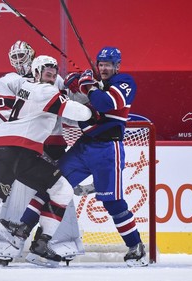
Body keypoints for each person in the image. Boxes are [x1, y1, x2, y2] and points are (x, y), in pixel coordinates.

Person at [0, 55, 93, 268]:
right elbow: (82, 113)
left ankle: (38, 244)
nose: (51, 76)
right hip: (17, 151)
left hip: (17, 151)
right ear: (36, 73)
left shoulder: (26, 86)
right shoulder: (45, 91)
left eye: (53, 73)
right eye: (47, 72)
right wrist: (91, 93)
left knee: (60, 190)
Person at [0, 40, 85, 267]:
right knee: (17, 191)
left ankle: (61, 241)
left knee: (57, 189)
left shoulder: (54, 77)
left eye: (24, 56)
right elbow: (1, 115)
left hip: (53, 142)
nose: (19, 61)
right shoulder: (8, 81)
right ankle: (9, 244)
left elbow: (71, 113)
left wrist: (85, 89)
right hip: (24, 143)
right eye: (16, 56)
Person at [57, 46, 149, 267]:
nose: (104, 68)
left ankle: (136, 247)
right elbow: (77, 107)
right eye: (101, 64)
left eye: (108, 64)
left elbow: (105, 103)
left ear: (117, 66)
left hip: (108, 149)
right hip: (83, 147)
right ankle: (43, 242)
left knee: (114, 203)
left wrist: (87, 86)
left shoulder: (125, 81)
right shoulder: (96, 85)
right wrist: (75, 83)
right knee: (54, 183)